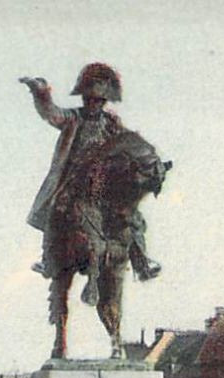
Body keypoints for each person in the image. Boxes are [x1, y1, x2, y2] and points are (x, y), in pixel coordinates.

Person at [20, 63, 164, 360]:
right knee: (60, 210)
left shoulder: (113, 123)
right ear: (84, 97)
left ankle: (141, 261)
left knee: (133, 220)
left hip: (106, 188)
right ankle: (50, 259)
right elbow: (52, 114)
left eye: (99, 99)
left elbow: (130, 144)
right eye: (90, 98)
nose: (94, 103)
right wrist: (42, 93)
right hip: (75, 181)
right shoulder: (73, 118)